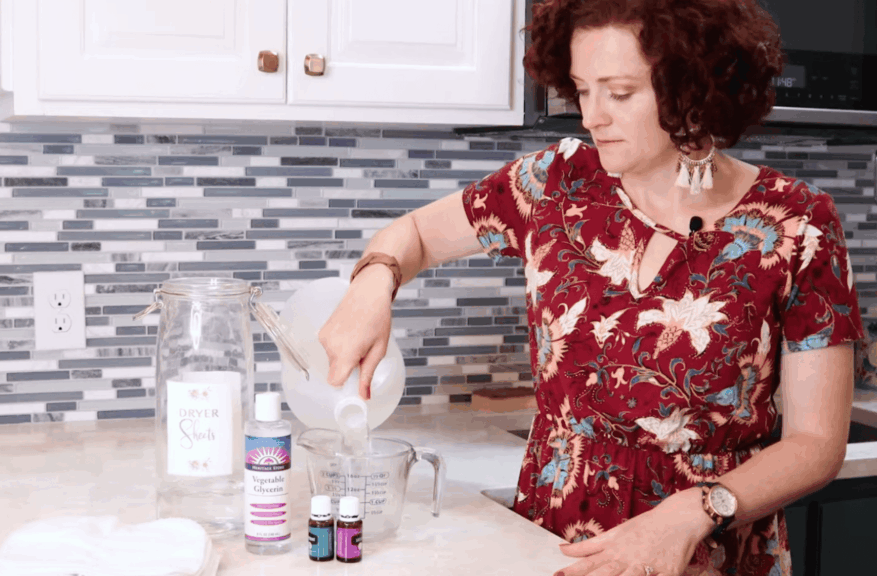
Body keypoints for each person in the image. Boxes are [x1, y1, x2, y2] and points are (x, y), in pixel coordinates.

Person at [317, 0, 863, 574]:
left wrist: (694, 512)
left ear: (693, 89)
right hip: (555, 541)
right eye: (582, 90)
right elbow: (415, 235)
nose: (592, 117)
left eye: (620, 93)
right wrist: (373, 282)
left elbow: (815, 445)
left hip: (712, 549)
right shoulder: (557, 181)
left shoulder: (798, 224)